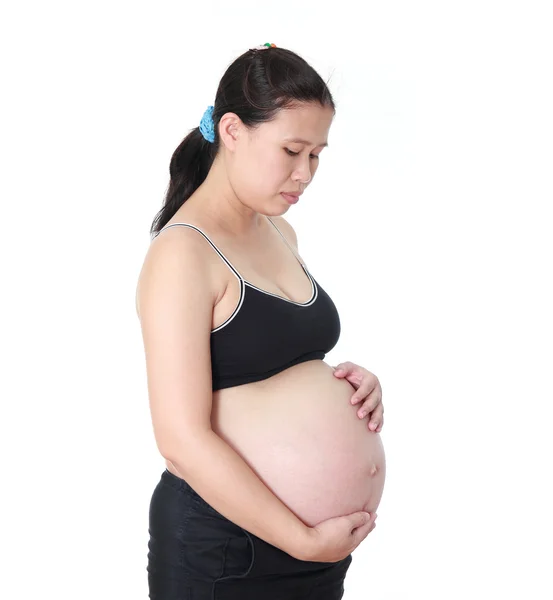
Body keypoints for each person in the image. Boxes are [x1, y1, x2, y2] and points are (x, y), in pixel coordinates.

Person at [136, 43, 386, 600]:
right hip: (226, 550)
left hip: (312, 550)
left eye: (317, 155)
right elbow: (179, 439)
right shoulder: (184, 254)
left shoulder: (278, 232)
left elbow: (285, 368)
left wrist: (350, 386)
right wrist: (300, 538)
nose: (306, 174)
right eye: (291, 150)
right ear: (232, 130)